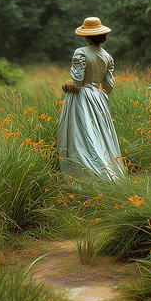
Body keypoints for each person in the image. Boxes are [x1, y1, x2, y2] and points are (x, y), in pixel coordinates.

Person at [57, 17, 126, 181]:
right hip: (98, 98)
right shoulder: (107, 56)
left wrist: (66, 86)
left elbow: (77, 84)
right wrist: (98, 94)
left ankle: (87, 175)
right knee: (99, 135)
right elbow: (109, 86)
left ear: (86, 36)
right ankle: (107, 170)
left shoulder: (80, 52)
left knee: (81, 135)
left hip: (81, 98)